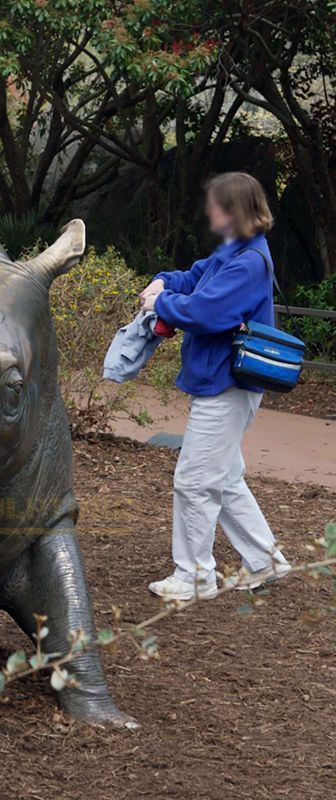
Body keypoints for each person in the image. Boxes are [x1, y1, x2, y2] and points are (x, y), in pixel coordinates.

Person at [140, 172, 290, 601]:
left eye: (216, 205)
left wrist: (160, 303)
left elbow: (206, 311)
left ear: (236, 210)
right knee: (222, 478)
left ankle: (193, 576)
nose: (209, 212)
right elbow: (194, 278)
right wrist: (164, 281)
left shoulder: (247, 262)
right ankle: (265, 560)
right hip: (223, 381)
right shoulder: (234, 252)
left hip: (225, 384)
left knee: (194, 481)